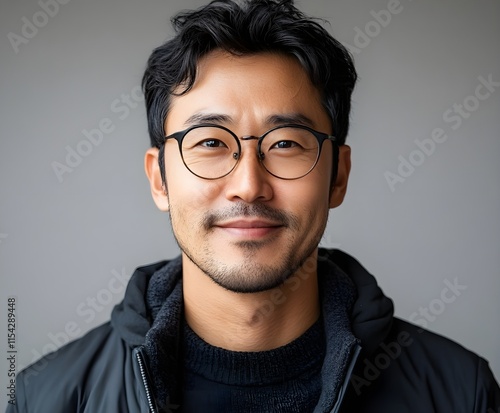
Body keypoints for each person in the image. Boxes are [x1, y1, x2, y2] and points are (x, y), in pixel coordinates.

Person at [7, 0, 500, 412]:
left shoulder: (459, 392)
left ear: (338, 176)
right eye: (209, 143)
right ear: (159, 178)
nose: (248, 185)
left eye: (286, 144)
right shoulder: (47, 398)